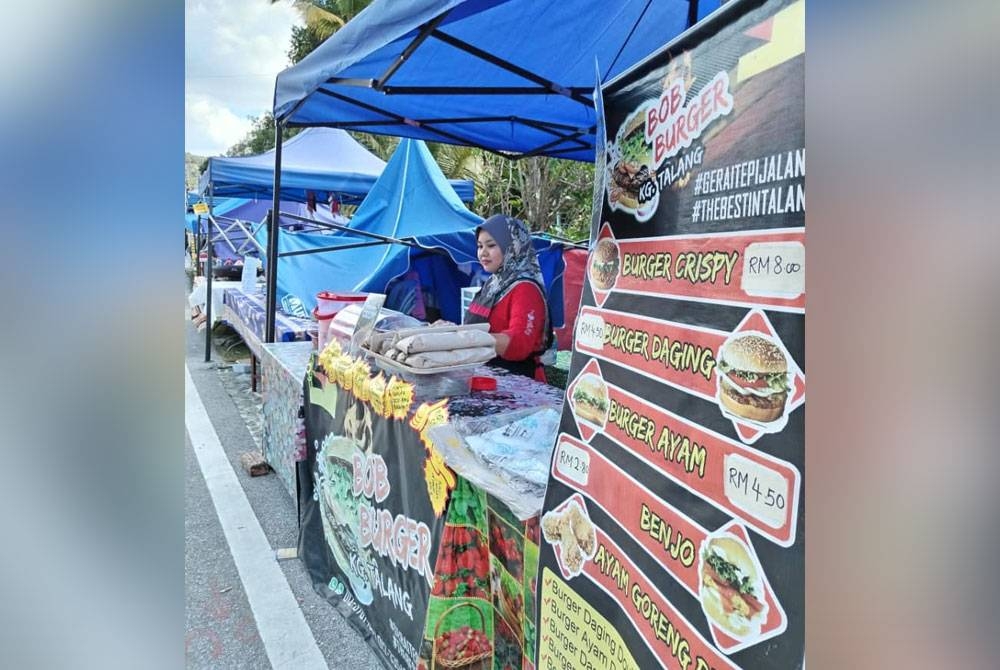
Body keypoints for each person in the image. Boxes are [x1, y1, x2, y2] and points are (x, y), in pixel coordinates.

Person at [465, 214, 550, 382]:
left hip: (519, 384)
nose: (483, 253)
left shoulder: (526, 288)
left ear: (513, 247)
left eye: (491, 245)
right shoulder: (494, 283)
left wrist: (468, 338)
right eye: (480, 246)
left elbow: (519, 344)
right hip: (487, 377)